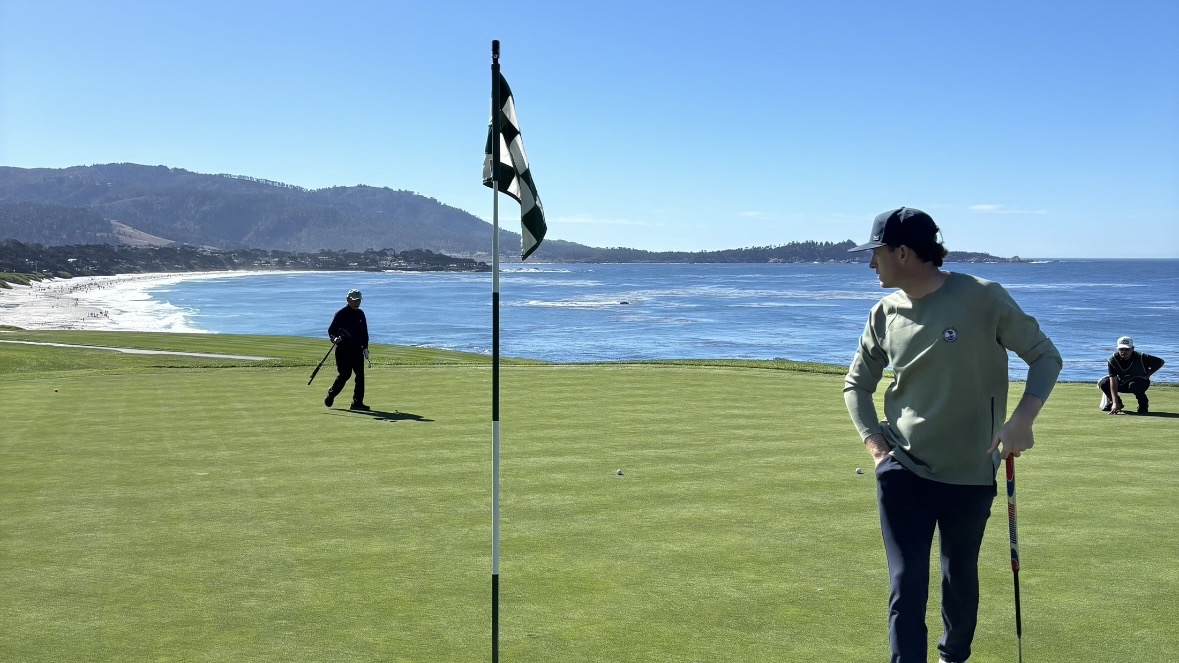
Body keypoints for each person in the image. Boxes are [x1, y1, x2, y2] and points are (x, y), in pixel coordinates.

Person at [842, 207, 1062, 663]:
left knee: (959, 575)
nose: (870, 264)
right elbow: (856, 386)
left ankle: (952, 657)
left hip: (971, 469)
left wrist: (1022, 419)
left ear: (902, 252)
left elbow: (1045, 358)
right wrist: (877, 447)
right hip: (903, 469)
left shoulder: (983, 298)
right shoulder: (884, 312)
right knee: (906, 583)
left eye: (876, 253)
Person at [325, 288, 370, 411]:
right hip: (343, 351)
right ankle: (332, 393)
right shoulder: (341, 314)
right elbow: (331, 331)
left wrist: (365, 348)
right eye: (355, 300)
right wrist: (334, 339)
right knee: (345, 374)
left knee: (360, 376)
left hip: (357, 350)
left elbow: (364, 333)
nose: (357, 302)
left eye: (359, 300)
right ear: (348, 300)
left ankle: (357, 403)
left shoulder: (361, 314)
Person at [1099, 336, 1164, 414]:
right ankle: (1118, 404)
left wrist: (1147, 375)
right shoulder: (1112, 360)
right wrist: (1115, 402)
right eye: (1121, 349)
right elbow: (1113, 382)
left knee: (1134, 385)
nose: (1123, 352)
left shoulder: (1142, 357)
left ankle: (1143, 405)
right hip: (1123, 383)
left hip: (1139, 383)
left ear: (1132, 349)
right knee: (1104, 382)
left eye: (1127, 349)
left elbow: (1160, 362)